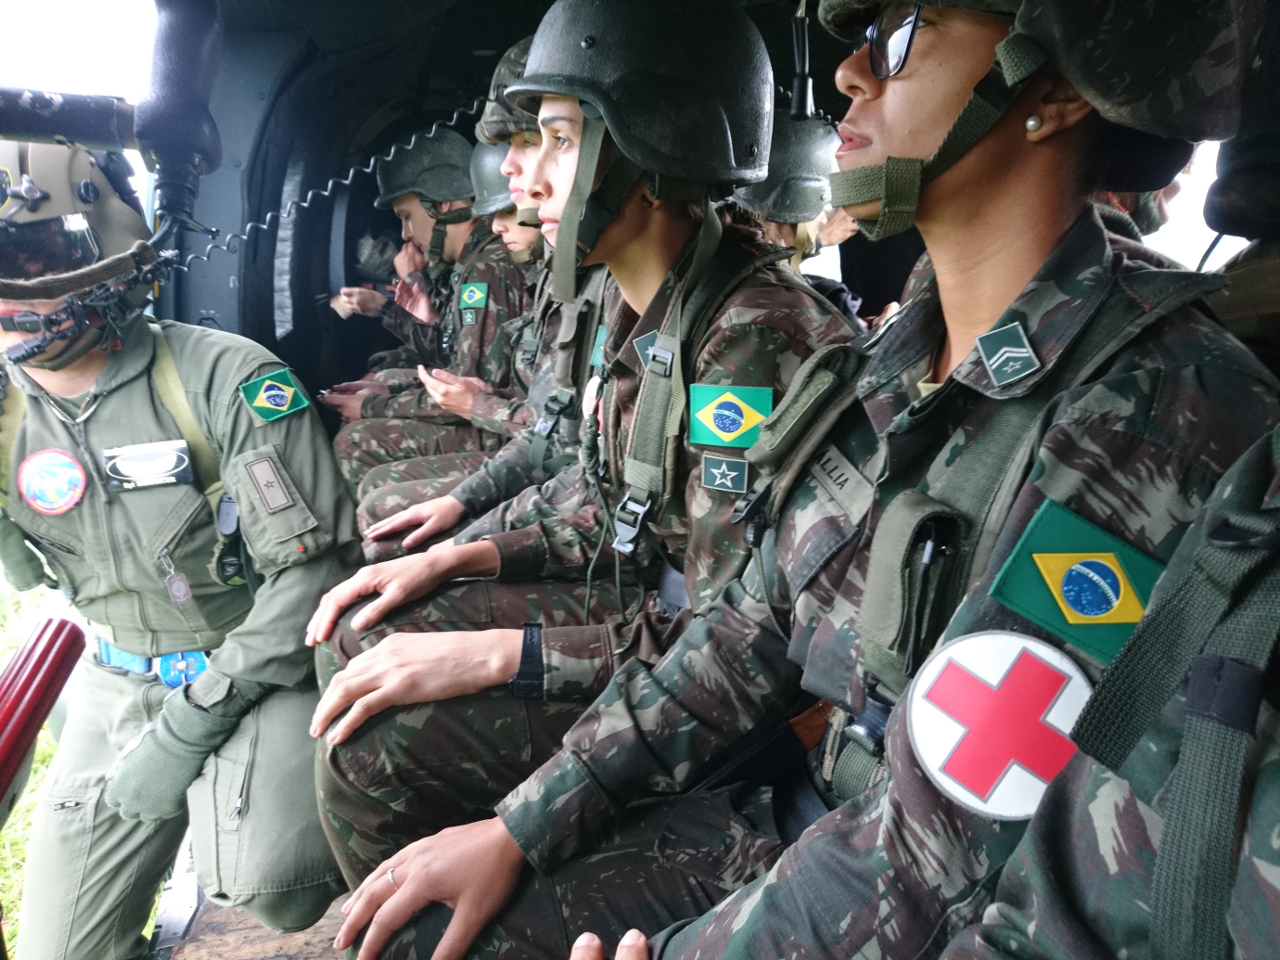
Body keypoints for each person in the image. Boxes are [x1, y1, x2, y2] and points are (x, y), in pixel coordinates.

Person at [321, 1, 1280, 959]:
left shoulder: (1159, 415)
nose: (854, 74)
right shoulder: (899, 363)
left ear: (1058, 88)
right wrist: (522, 825)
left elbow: (943, 851)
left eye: (905, 35)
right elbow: (750, 626)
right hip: (804, 821)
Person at [306, 0, 856, 917]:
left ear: (650, 153)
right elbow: (609, 495)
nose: (517, 168)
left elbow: (733, 642)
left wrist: (505, 658)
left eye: (558, 136)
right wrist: (465, 553)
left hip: (706, 679)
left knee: (373, 754)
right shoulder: (626, 300)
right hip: (644, 614)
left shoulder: (751, 340)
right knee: (372, 634)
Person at [0, 141, 360, 960]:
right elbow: (24, 574)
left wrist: (192, 724)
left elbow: (313, 575)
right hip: (114, 676)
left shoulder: (226, 380)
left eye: (36, 260)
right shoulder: (5, 417)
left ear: (114, 258)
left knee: (277, 882)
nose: (14, 296)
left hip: (249, 666)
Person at [354, 37, 618, 564]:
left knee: (369, 472)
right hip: (542, 464)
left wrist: (390, 398)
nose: (502, 224)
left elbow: (560, 440)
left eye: (558, 141)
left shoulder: (493, 272)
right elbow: (553, 428)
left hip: (531, 460)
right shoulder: (571, 285)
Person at [322, 129, 532, 488]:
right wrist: (385, 392)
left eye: (407, 216)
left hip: (502, 431)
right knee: (380, 378)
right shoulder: (470, 265)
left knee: (355, 443)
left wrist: (375, 407)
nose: (405, 233)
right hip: (496, 416)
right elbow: (455, 352)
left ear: (443, 203)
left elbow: (467, 389)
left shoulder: (485, 269)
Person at [733, 107, 865, 326]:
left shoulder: (722, 256)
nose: (825, 217)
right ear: (800, 198)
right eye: (826, 205)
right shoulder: (777, 295)